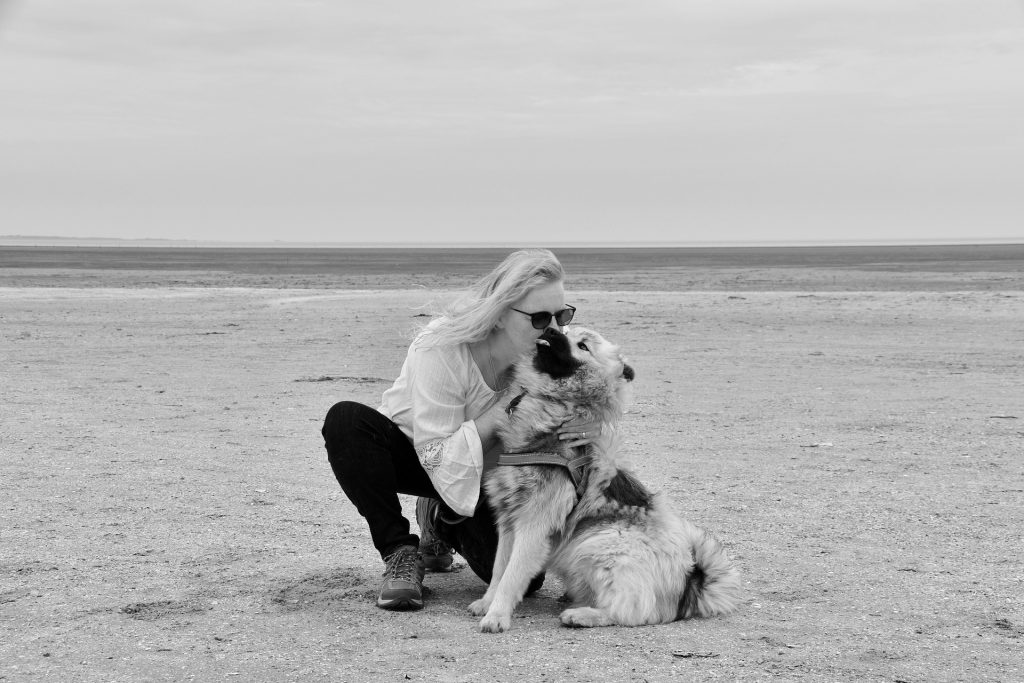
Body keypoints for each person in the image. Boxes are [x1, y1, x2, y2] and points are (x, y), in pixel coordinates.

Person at [321, 248, 605, 610]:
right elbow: (434, 448)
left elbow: (595, 392)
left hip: (484, 472)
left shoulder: (548, 356)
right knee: (346, 422)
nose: (553, 329)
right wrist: (508, 405)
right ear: (501, 314)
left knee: (528, 582)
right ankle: (400, 553)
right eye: (539, 318)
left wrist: (588, 424)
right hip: (416, 452)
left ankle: (440, 519)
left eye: (561, 315)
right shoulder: (442, 346)